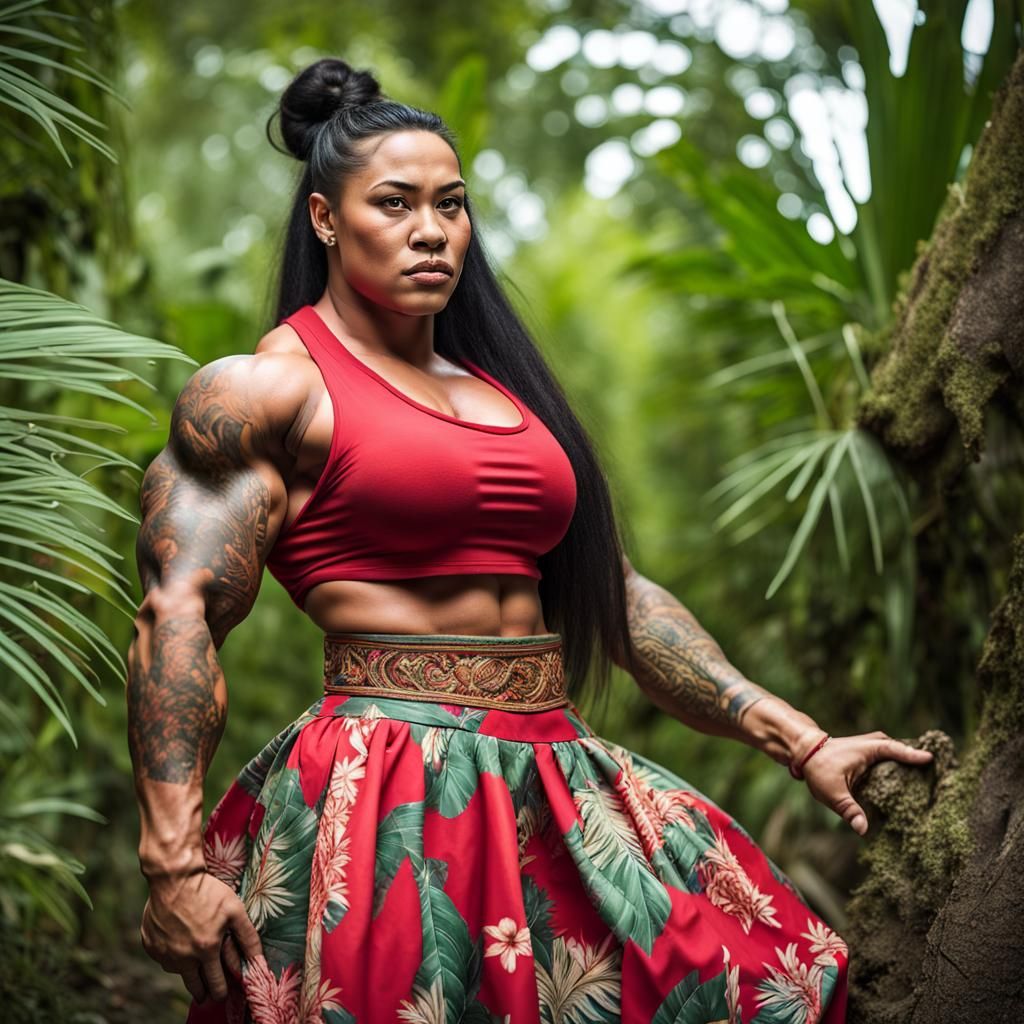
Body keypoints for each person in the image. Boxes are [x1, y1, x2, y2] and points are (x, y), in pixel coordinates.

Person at [126, 57, 933, 1024]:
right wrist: (172, 865)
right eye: (395, 203)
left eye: (452, 204)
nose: (432, 231)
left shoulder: (505, 396)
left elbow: (616, 599)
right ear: (326, 220)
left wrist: (804, 743)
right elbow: (178, 612)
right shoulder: (266, 391)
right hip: (387, 792)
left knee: (774, 983)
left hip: (556, 778)